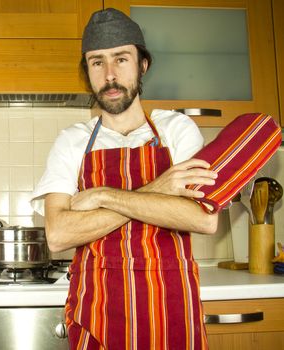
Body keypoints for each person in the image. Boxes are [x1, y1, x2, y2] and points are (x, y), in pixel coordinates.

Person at [31, 8, 218, 350]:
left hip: (171, 308)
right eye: (97, 62)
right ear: (87, 72)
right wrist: (161, 190)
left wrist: (102, 195)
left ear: (142, 65)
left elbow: (203, 218)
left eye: (121, 59)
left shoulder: (177, 130)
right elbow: (58, 235)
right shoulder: (72, 140)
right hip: (97, 312)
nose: (110, 75)